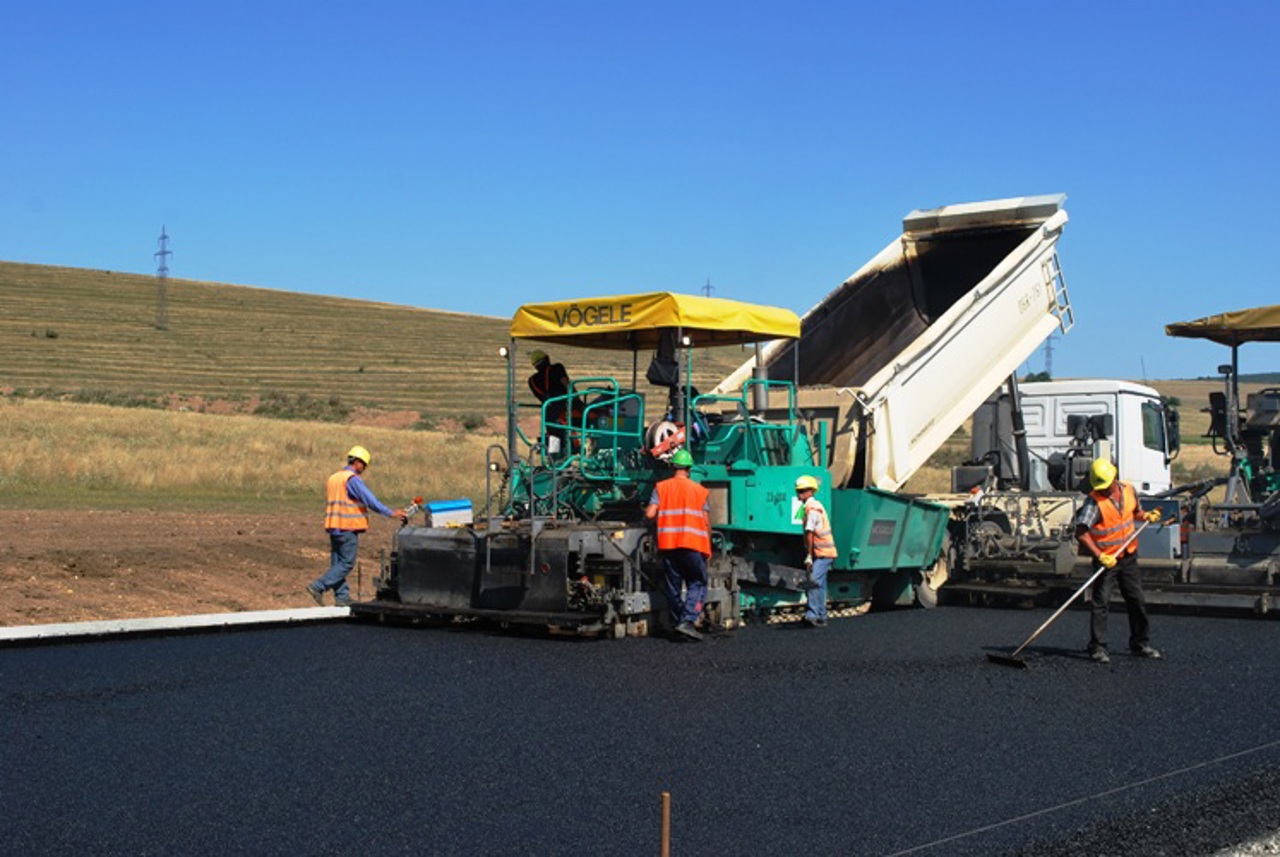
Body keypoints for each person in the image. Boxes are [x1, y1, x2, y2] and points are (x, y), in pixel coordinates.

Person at [1075, 459, 1163, 663]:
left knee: (1136, 600)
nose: (1103, 490)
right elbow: (1081, 532)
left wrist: (1147, 515)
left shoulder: (1129, 490)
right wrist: (1099, 555)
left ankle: (1140, 643)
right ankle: (1097, 647)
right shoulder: (1094, 502)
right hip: (1107, 560)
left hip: (1128, 556)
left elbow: (1136, 513)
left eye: (1106, 486)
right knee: (1101, 603)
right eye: (1100, 487)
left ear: (1114, 478)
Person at [308, 445, 405, 607]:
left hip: (334, 526)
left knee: (337, 563)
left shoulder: (335, 477)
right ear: (358, 462)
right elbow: (370, 500)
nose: (364, 469)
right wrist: (390, 513)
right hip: (347, 527)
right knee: (347, 563)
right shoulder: (352, 480)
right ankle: (318, 586)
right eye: (364, 465)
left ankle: (342, 596)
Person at [645, 448, 711, 641]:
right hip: (693, 545)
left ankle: (677, 624)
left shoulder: (661, 487)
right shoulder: (699, 491)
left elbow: (650, 514)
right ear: (689, 469)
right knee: (698, 582)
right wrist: (708, 548)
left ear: (673, 467)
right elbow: (706, 522)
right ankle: (688, 621)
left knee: (673, 587)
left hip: (668, 545)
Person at [795, 474, 837, 628]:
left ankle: (812, 614)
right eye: (798, 490)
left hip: (823, 553)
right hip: (825, 553)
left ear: (811, 491)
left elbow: (810, 534)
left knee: (813, 582)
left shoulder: (812, 509)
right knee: (820, 585)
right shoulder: (809, 506)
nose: (799, 493)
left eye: (802, 490)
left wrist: (809, 555)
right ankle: (821, 616)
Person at [527, 350, 577, 453]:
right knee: (567, 436)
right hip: (565, 410)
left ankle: (554, 461)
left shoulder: (532, 381)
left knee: (554, 436)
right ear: (547, 358)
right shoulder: (557, 368)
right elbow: (568, 386)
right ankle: (569, 453)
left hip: (549, 413)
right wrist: (578, 402)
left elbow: (541, 397)